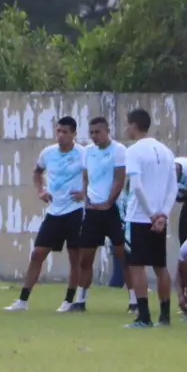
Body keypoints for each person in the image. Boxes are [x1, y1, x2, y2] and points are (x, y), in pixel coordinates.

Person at [4, 117, 86, 312]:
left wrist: (84, 192)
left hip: (75, 211)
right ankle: (22, 301)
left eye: (65, 132)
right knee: (37, 254)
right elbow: (37, 171)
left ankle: (69, 300)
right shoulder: (48, 153)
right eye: (58, 131)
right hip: (54, 211)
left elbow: (94, 175)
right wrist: (40, 190)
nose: (60, 135)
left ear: (73, 134)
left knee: (75, 257)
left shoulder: (83, 153)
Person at [120, 108, 178, 328]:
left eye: (127, 124)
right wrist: (163, 213)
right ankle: (165, 316)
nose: (126, 128)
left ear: (134, 125)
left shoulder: (133, 151)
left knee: (136, 266)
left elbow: (136, 186)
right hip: (160, 218)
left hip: (139, 216)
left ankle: (143, 316)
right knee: (160, 266)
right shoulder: (166, 151)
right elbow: (173, 187)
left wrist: (152, 213)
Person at [72, 116, 127, 312]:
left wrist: (108, 203)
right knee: (85, 258)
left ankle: (135, 301)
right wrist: (86, 200)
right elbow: (87, 179)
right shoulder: (87, 152)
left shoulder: (119, 150)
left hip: (112, 211)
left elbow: (119, 180)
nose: (94, 136)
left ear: (107, 131)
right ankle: (80, 301)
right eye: (92, 132)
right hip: (93, 211)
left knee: (122, 255)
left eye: (98, 132)